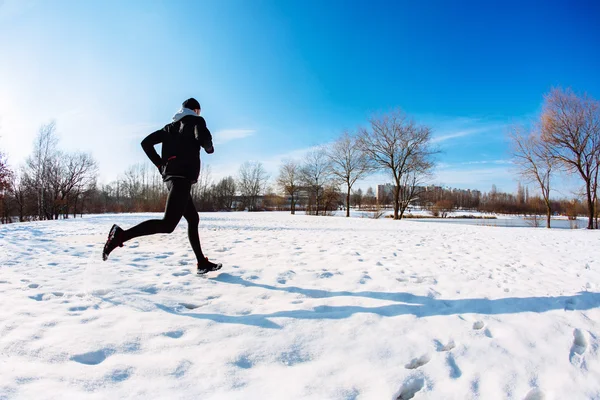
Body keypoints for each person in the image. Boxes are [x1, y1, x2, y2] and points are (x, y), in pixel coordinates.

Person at [102, 98, 222, 275]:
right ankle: (120, 235)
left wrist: (160, 165)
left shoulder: (169, 127)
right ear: (195, 110)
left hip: (173, 178)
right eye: (199, 112)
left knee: (193, 219)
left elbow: (146, 143)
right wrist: (209, 147)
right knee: (168, 225)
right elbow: (203, 138)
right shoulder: (196, 121)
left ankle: (201, 263)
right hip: (181, 178)